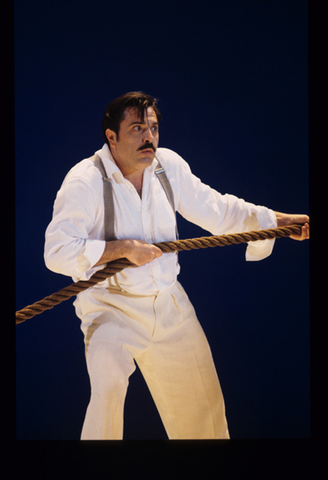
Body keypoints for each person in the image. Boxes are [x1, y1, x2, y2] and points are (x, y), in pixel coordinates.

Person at [44, 92, 309, 440]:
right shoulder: (85, 180)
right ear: (112, 137)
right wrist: (122, 248)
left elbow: (219, 209)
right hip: (111, 308)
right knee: (107, 391)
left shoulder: (167, 167)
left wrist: (278, 222)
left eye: (153, 127)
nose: (148, 137)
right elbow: (57, 252)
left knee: (203, 415)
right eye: (137, 128)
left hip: (169, 306)